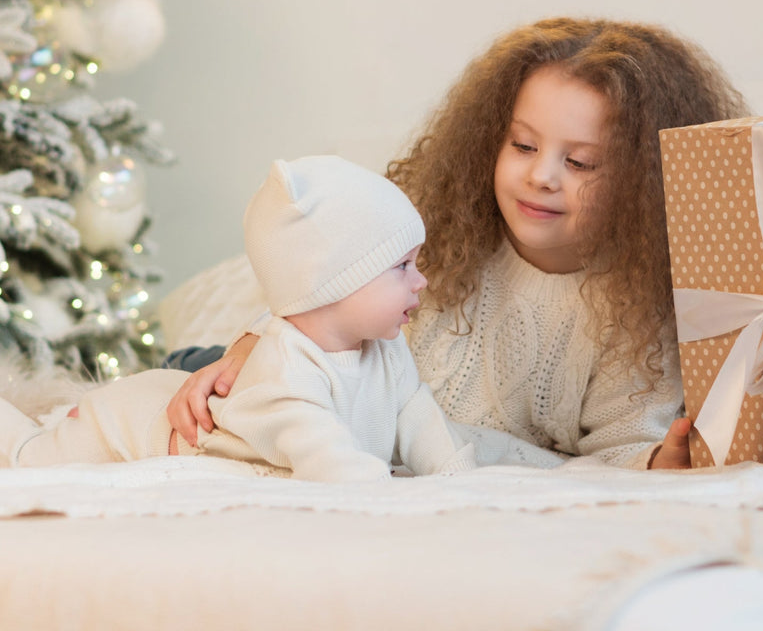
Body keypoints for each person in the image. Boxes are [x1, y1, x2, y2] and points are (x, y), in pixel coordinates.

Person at [166, 17, 748, 470]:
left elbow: (621, 445)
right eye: (522, 146)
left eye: (580, 161)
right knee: (172, 380)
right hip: (314, 381)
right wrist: (249, 344)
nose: (542, 175)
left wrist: (656, 461)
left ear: (643, 182)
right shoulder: (436, 228)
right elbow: (317, 281)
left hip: (400, 443)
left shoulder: (636, 314)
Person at [0, 156, 477, 482]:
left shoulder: (385, 347)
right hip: (130, 424)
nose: (421, 282)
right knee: (29, 457)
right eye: (402, 267)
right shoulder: (283, 375)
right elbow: (336, 469)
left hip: (163, 393)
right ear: (332, 283)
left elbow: (418, 416)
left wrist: (458, 479)